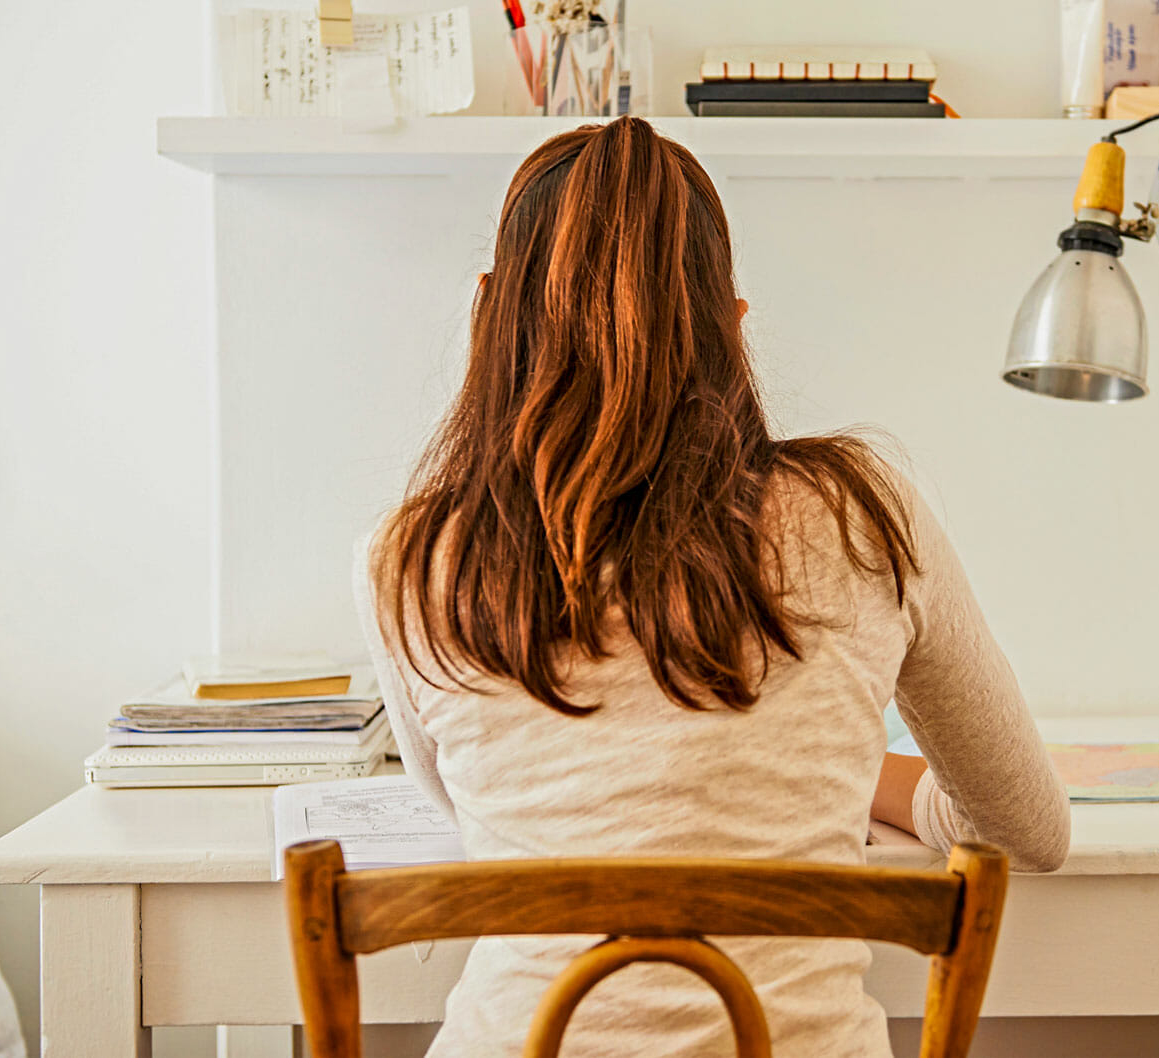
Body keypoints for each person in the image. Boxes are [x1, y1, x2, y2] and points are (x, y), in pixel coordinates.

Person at [357, 116, 1069, 1058]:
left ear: (487, 312)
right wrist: (832, 786)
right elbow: (1027, 831)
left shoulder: (413, 558)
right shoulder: (864, 514)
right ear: (731, 325)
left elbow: (478, 812)